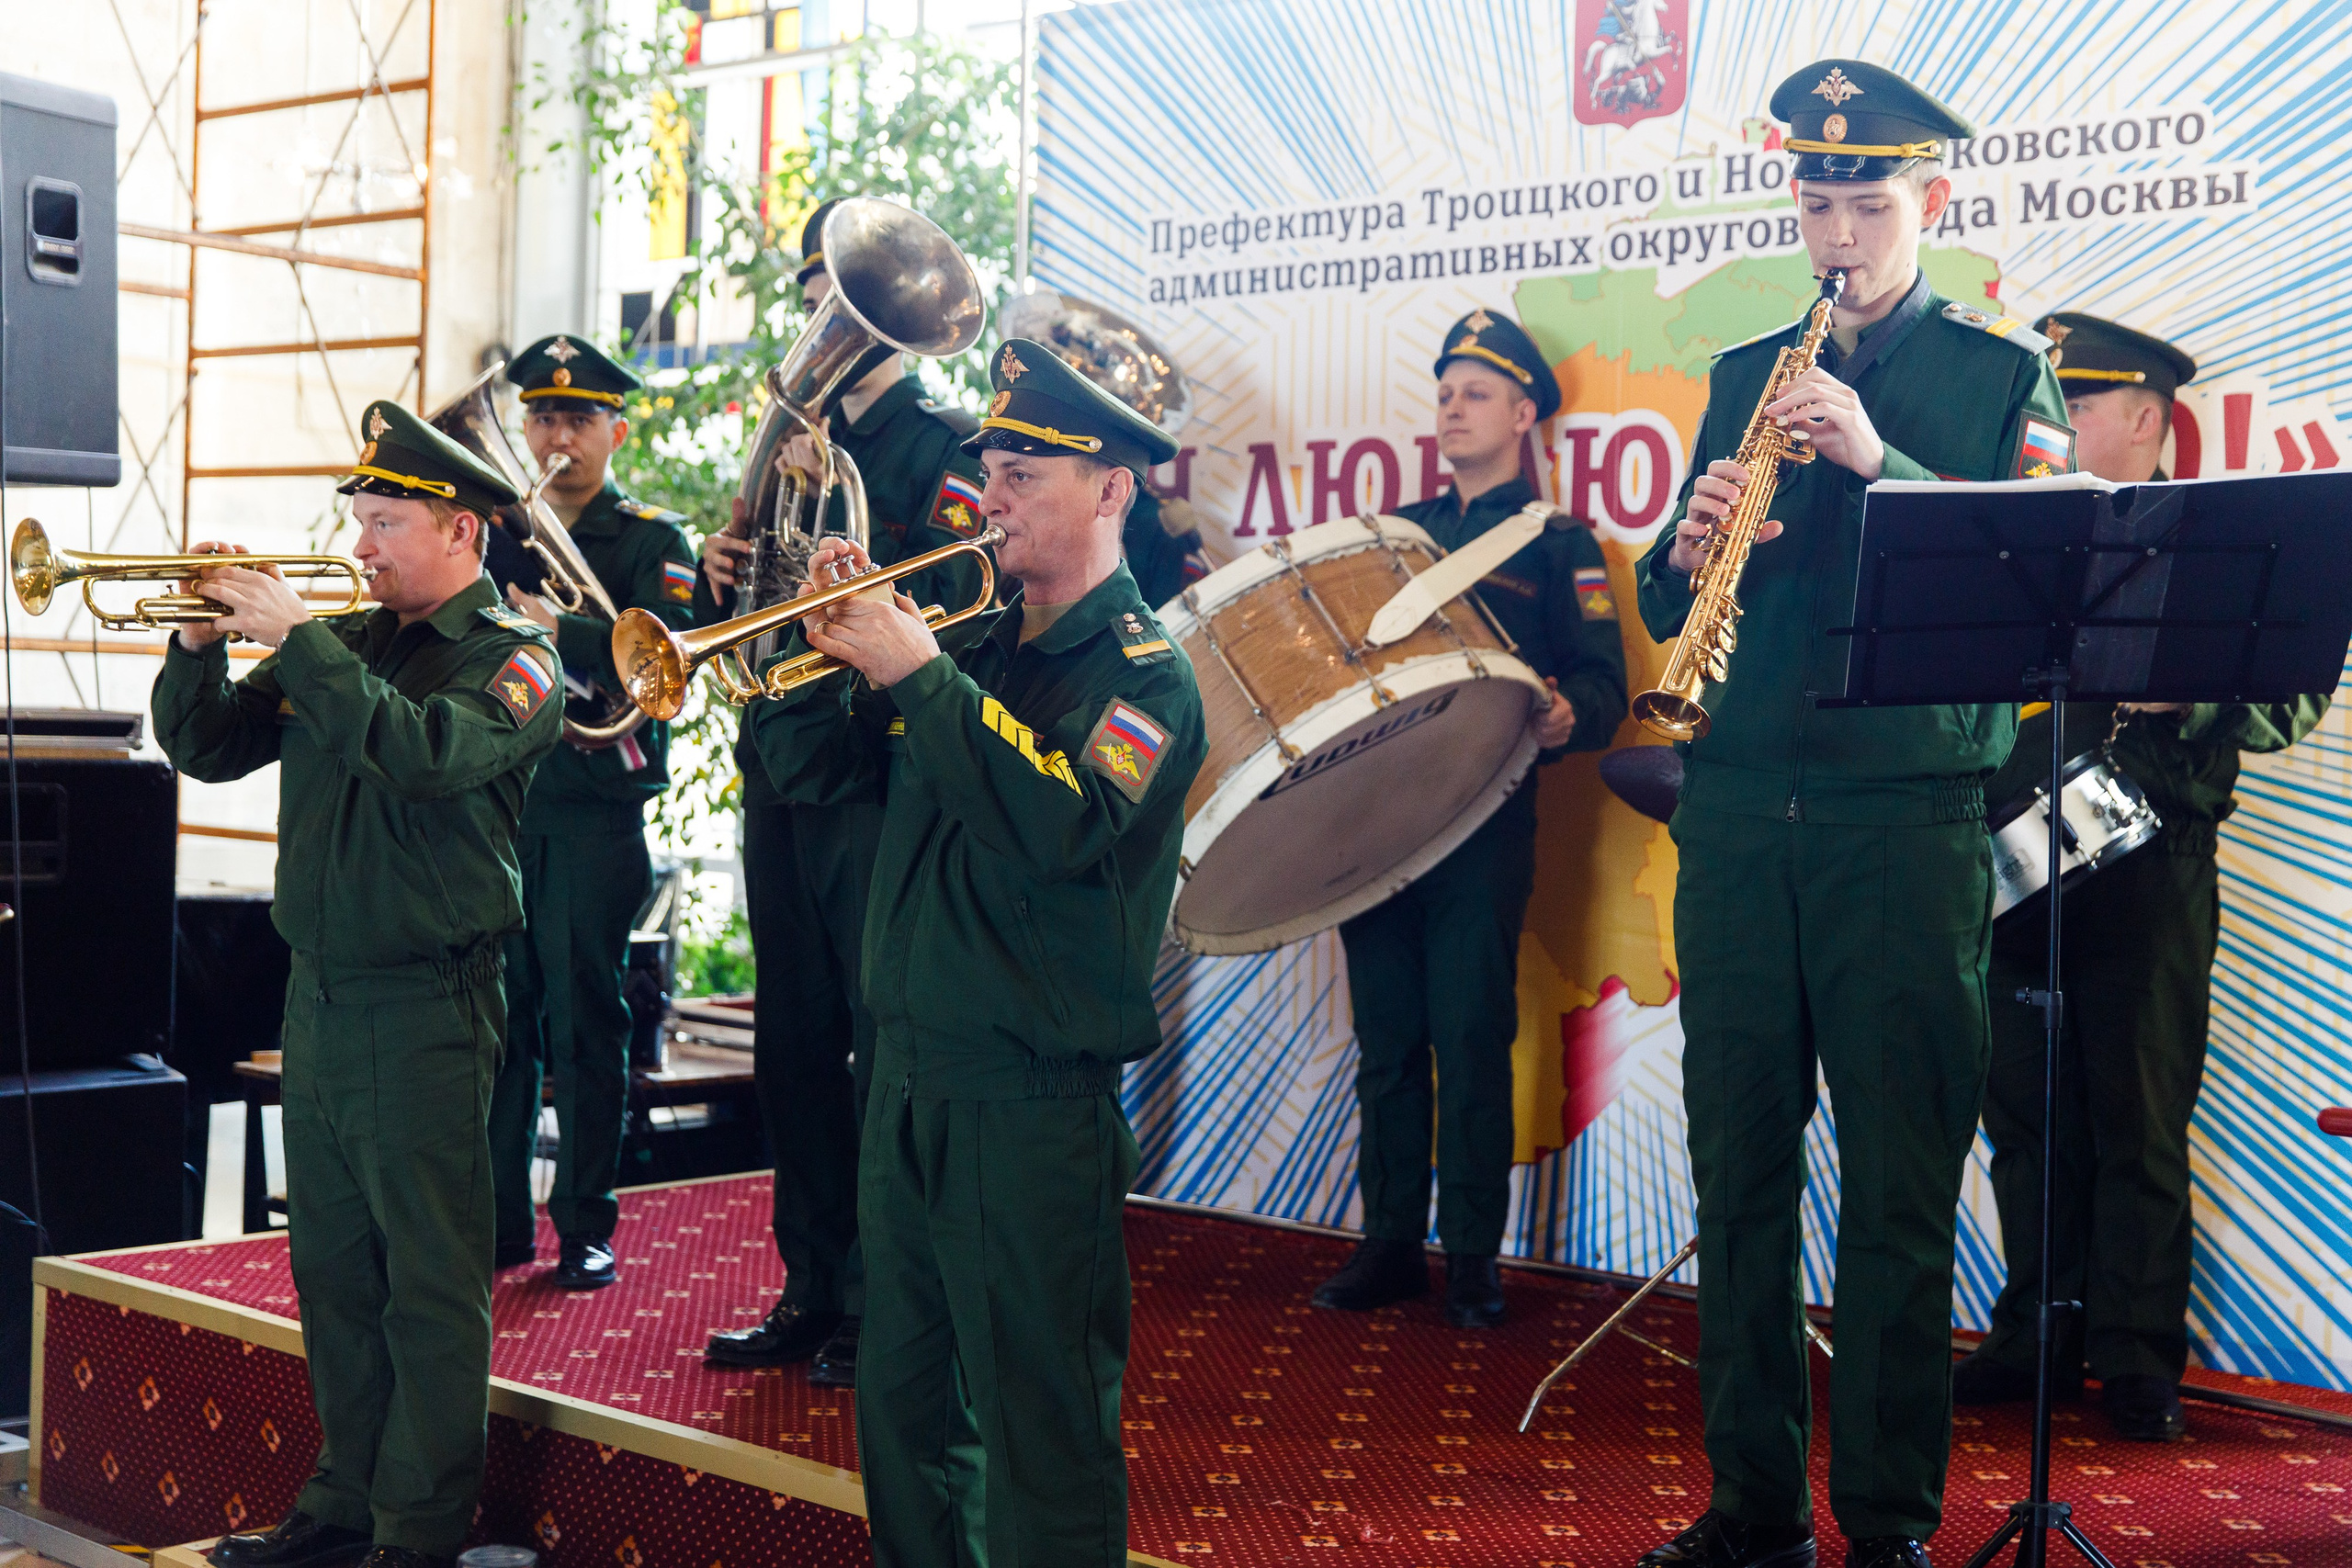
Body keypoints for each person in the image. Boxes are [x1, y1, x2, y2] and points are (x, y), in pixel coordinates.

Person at [1632, 60, 2075, 1568]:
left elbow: (2043, 597)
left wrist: (1882, 462)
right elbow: (1662, 589)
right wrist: (1689, 549)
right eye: (1815, 197)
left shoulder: (2002, 376)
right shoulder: (1743, 368)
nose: (1837, 225)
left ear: (1928, 205)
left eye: (1866, 199)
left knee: (1898, 1187)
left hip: (1906, 816)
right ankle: (1753, 1506)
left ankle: (1884, 1521)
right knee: (1737, 1175)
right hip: (1743, 805)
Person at [748, 338, 1204, 1567]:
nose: (986, 497)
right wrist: (814, 632)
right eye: (988, 468)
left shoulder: (1145, 676)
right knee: (905, 1416)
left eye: (1021, 472)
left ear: (1111, 490)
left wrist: (921, 675)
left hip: (1026, 1101)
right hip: (903, 1073)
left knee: (1040, 1424)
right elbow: (803, 770)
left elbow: (1058, 826)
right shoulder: (970, 641)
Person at [164, 402, 560, 1568]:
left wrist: (300, 641)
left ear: (463, 532)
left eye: (386, 523)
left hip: (428, 1006)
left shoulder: (517, 658)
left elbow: (425, 755)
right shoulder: (357, 640)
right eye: (359, 520)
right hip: (322, 995)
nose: (362, 548)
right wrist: (196, 648)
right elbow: (211, 748)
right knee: (332, 1272)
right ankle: (342, 1509)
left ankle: (419, 1532)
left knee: (428, 1284)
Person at [1953, 314, 2332, 1442]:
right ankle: (2034, 1335)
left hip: (2149, 866)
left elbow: (2293, 698)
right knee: (2022, 1118)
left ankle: (2133, 1356)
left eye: (2077, 406)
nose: (2054, 427)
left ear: (2148, 421)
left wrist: (2193, 692)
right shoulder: (2011, 534)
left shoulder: (2224, 542)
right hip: (2007, 867)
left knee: (2136, 1118)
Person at [696, 198, 991, 1384]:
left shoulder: (946, 442)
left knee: (878, 1044)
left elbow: (955, 604)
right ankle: (809, 1283)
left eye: (840, 291)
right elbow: (756, 598)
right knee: (795, 1040)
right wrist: (726, 576)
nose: (822, 310)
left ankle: (882, 1298)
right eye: (819, 288)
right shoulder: (788, 435)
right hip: (782, 765)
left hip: (872, 777)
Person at [1310, 308, 1627, 1328]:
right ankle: (1390, 1243)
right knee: (1389, 1043)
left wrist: (1571, 710)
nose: (1451, 407)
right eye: (1443, 392)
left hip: (1482, 827)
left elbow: (1602, 683)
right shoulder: (1392, 535)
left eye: (1475, 392)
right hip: (1379, 822)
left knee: (1471, 1037)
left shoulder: (1561, 542)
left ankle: (1475, 1258)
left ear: (1523, 411)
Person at [483, 333, 697, 1290]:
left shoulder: (657, 540)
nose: (556, 434)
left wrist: (558, 625)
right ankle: (495, 1221)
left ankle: (585, 1225)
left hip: (596, 806)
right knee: (499, 1020)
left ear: (617, 428)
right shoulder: (494, 531)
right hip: (505, 798)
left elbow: (662, 665)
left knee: (586, 1021)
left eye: (577, 417)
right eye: (541, 415)